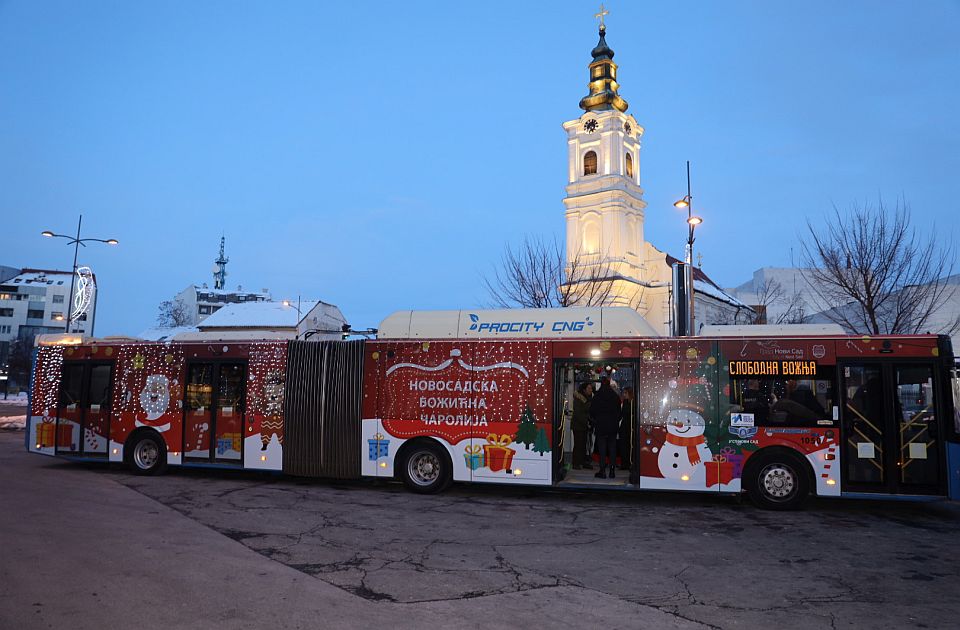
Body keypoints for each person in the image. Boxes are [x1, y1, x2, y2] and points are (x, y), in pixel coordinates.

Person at [590, 376, 622, 479]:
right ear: (608, 384)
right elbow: (619, 413)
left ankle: (602, 471)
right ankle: (612, 471)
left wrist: (596, 421)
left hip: (601, 426)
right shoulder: (615, 396)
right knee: (612, 448)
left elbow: (592, 411)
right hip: (612, 426)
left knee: (602, 449)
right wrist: (615, 421)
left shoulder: (597, 396)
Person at [571, 382, 594, 470]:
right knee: (578, 444)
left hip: (583, 424)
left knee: (583, 444)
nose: (591, 390)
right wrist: (587, 422)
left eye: (591, 388)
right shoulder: (579, 398)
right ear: (584, 389)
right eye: (589, 388)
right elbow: (578, 413)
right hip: (578, 425)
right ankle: (576, 463)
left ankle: (583, 461)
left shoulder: (588, 398)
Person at [618, 387, 635, 472]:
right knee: (624, 446)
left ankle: (628, 463)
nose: (624, 395)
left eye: (625, 393)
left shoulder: (632, 403)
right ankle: (625, 463)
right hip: (625, 426)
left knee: (628, 445)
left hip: (629, 426)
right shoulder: (626, 402)